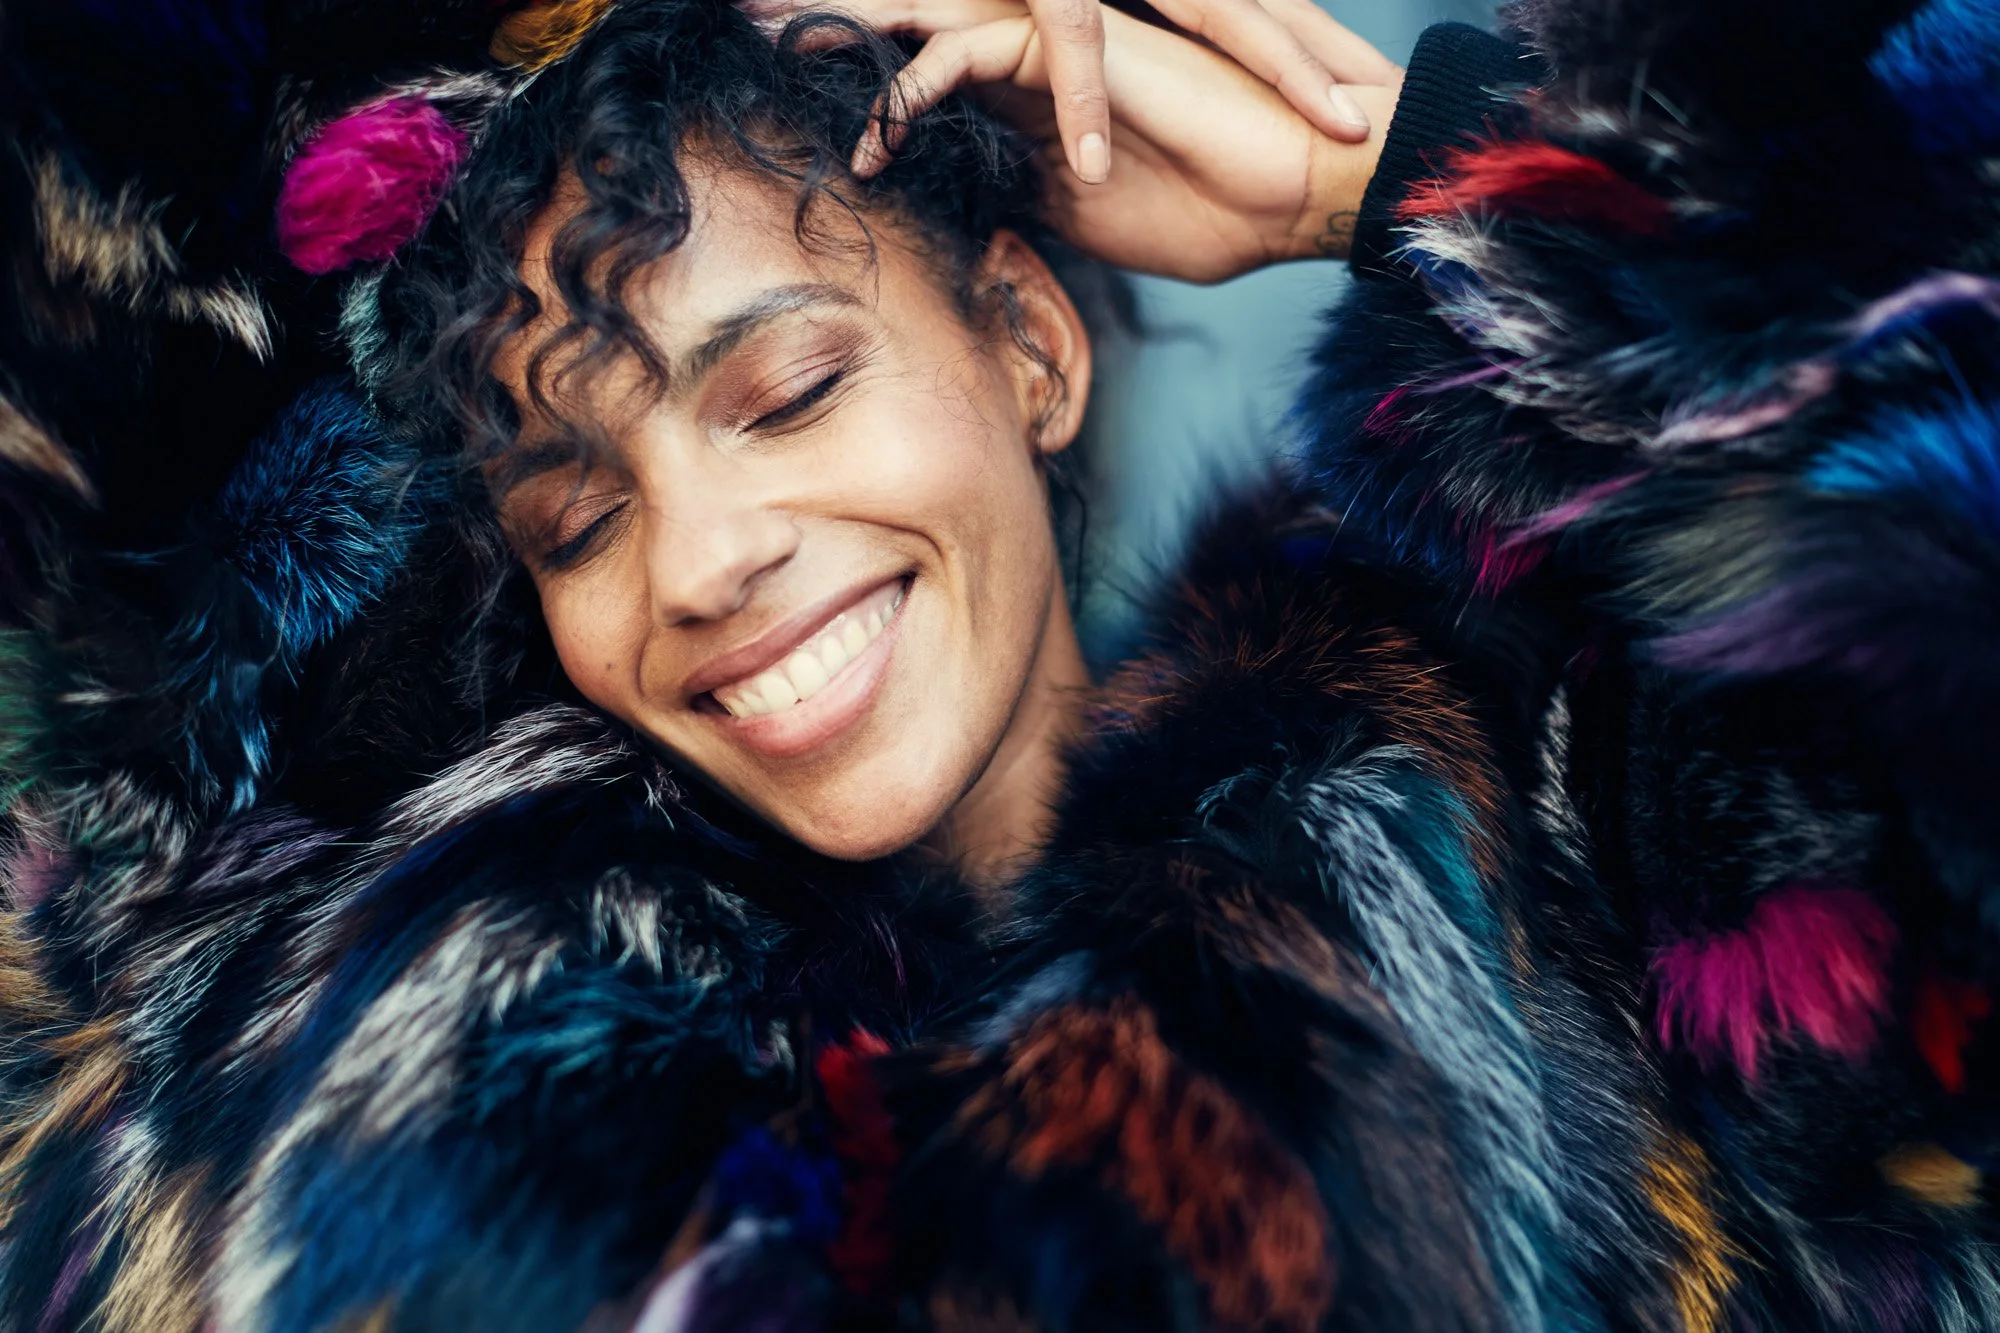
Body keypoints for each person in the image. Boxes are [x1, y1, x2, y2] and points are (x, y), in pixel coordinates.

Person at [0, 0, 1996, 1328]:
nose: (700, 560)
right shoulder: (453, 1095)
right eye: (579, 521)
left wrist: (1390, 177)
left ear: (1030, 348)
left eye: (789, 391)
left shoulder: (1561, 786)